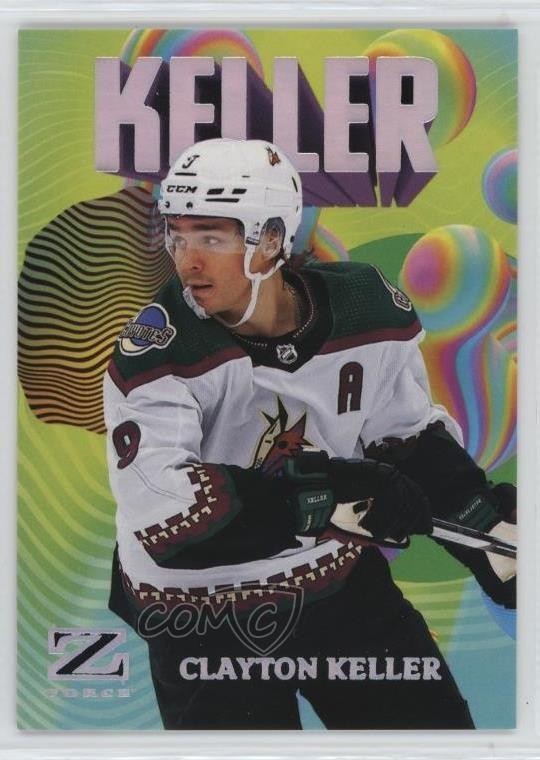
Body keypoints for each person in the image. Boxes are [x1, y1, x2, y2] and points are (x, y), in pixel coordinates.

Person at [104, 138, 516, 730]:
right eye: (178, 235)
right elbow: (167, 513)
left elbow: (403, 436)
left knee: (431, 739)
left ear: (272, 238)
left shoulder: (364, 307)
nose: (187, 261)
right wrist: (326, 495)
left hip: (334, 577)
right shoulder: (156, 350)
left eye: (212, 238)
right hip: (200, 609)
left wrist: (485, 529)